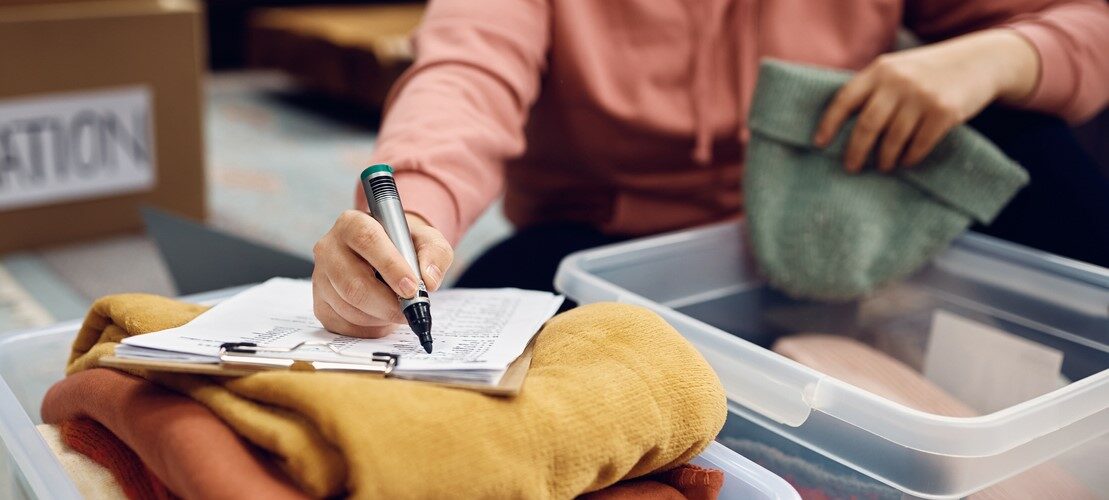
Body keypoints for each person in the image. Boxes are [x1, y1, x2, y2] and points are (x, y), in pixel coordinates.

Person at [311, 0, 1109, 338]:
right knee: (473, 339)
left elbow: (1085, 27)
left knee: (1029, 141)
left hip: (834, 219)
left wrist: (998, 55)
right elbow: (464, 74)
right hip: (597, 241)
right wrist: (410, 214)